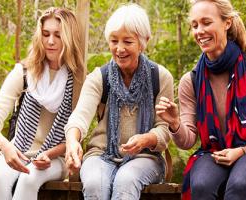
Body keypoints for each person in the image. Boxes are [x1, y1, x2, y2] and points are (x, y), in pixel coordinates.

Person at [156, 0, 246, 199]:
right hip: (214, 151)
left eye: (207, 22)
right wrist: (174, 123)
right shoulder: (192, 81)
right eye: (195, 25)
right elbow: (188, 141)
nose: (199, 31)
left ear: (227, 23)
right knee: (201, 186)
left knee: (239, 185)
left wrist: (241, 151)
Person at [64, 3, 173, 200]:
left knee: (126, 181)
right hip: (101, 154)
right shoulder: (100, 77)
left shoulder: (161, 77)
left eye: (128, 42)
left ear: (143, 41)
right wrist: (72, 141)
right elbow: (80, 116)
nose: (119, 49)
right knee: (95, 185)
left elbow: (164, 130)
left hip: (146, 157)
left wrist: (145, 139)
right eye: (114, 41)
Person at [0, 7, 85, 200]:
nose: (51, 41)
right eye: (46, 34)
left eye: (58, 35)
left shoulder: (79, 82)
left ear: (69, 38)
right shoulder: (24, 73)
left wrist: (49, 153)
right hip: (19, 150)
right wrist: (6, 147)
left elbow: (78, 134)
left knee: (28, 180)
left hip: (55, 158)